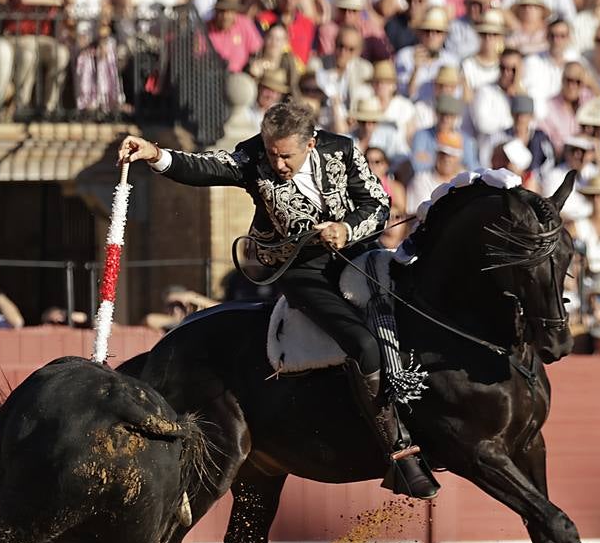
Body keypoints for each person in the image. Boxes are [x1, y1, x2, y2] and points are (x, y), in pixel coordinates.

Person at [117, 99, 437, 500]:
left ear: (311, 143)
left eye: (286, 156)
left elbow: (378, 203)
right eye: (272, 154)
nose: (278, 165)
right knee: (364, 345)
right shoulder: (253, 157)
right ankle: (400, 451)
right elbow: (206, 168)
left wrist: (345, 228)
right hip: (300, 271)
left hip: (357, 257)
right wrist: (157, 155)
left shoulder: (342, 149)